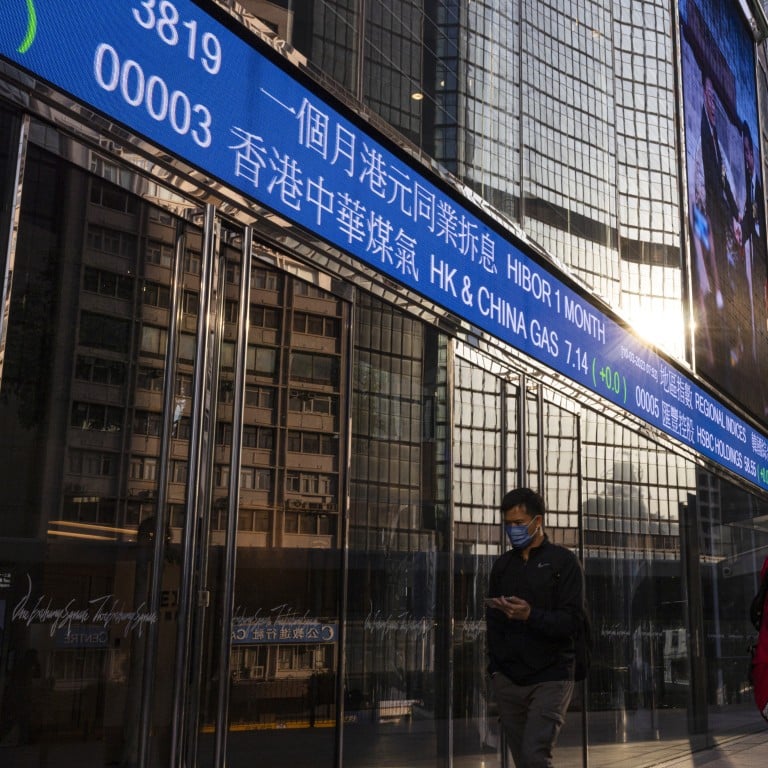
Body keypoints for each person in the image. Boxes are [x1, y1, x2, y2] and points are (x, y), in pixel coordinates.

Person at [486, 488, 586, 768]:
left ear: (537, 521)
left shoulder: (563, 562)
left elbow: (572, 622)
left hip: (551, 677)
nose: (512, 529)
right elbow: (493, 624)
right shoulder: (503, 566)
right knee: (524, 761)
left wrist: (531, 615)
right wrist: (495, 671)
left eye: (518, 523)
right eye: (508, 524)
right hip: (509, 679)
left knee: (534, 756)